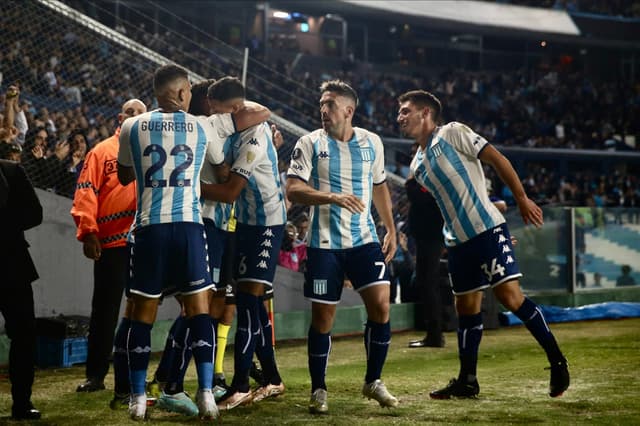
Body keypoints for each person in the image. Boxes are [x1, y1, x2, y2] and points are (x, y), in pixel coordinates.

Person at [397, 89, 570, 399]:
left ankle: (557, 361)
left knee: (510, 297)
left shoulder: (453, 132)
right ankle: (468, 380)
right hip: (459, 243)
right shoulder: (417, 166)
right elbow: (448, 201)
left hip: (486, 230)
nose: (400, 117)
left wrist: (519, 200)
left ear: (425, 113)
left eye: (406, 111)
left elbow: (497, 159)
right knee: (466, 307)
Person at [117, 64, 223, 420]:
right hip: (190, 228)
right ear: (180, 93)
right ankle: (206, 393)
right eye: (189, 90)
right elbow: (220, 170)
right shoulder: (201, 126)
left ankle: (136, 400)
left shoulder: (131, 126)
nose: (191, 95)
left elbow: (123, 173)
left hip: (149, 228)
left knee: (141, 316)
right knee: (199, 311)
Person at [286, 80, 399, 414]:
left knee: (381, 306)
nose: (323, 110)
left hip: (364, 241)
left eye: (330, 104)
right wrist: (332, 197)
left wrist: (390, 228)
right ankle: (319, 388)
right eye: (322, 103)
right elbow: (293, 190)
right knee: (323, 318)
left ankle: (373, 381)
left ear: (349, 110)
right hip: (324, 246)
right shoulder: (309, 143)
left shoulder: (372, 143)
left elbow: (379, 187)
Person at [201, 76, 287, 410]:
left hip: (267, 224)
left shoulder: (254, 135)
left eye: (218, 111)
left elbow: (230, 191)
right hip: (246, 225)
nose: (215, 117)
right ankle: (273, 379)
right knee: (250, 305)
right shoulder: (235, 131)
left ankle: (239, 386)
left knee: (248, 303)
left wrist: (183, 188)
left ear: (236, 109)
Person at [70, 98, 147, 405]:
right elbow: (85, 191)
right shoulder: (101, 152)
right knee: (105, 311)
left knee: (141, 309)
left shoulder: (153, 150)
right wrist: (88, 233)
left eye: (141, 113)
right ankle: (96, 375)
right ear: (120, 117)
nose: (135, 117)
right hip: (111, 245)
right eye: (130, 112)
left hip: (144, 241)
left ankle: (134, 374)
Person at [0, 159, 43, 420]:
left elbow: (35, 213)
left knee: (25, 335)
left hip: (12, 264)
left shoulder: (12, 171)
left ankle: (22, 402)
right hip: (13, 262)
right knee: (24, 335)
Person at [405, 154, 446, 347]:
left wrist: (411, 181)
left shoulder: (433, 183)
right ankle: (433, 333)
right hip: (427, 236)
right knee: (425, 282)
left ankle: (435, 335)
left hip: (432, 236)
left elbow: (415, 194)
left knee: (428, 283)